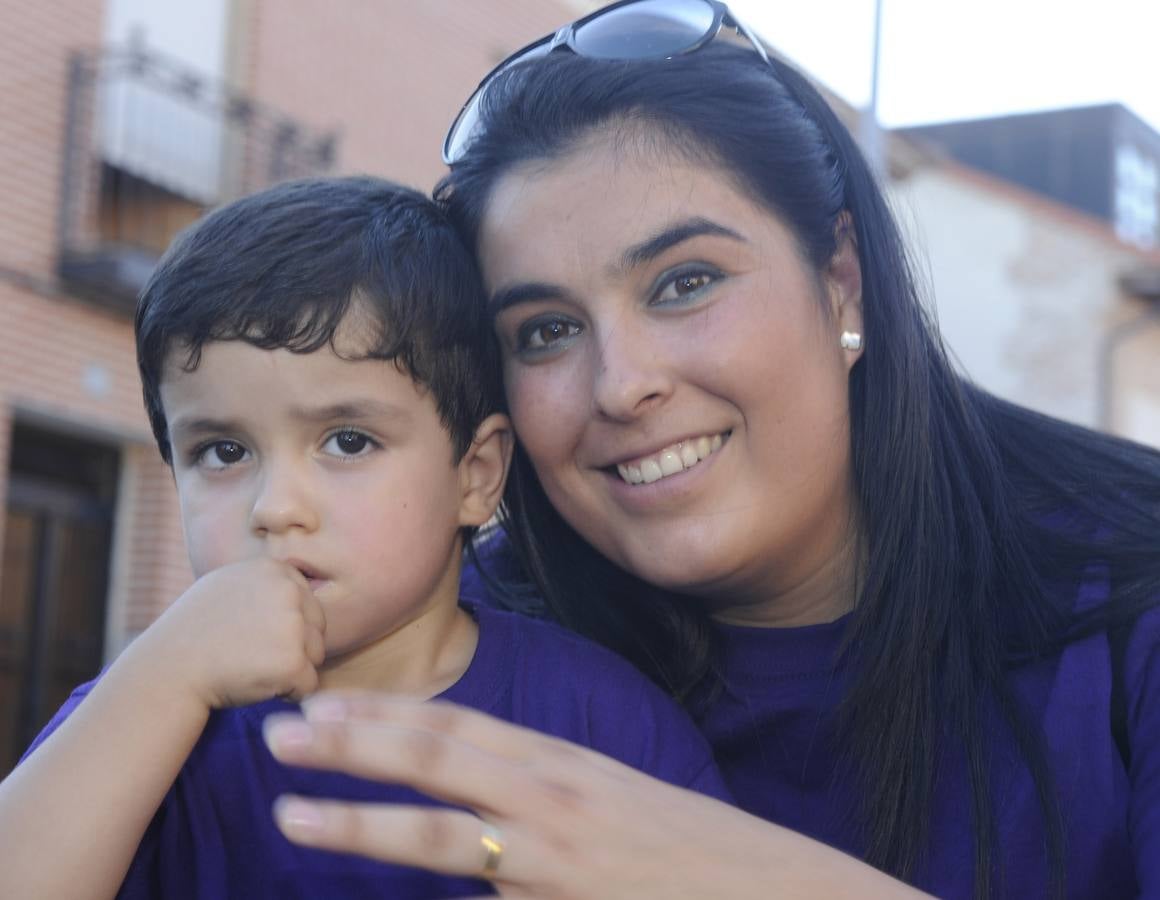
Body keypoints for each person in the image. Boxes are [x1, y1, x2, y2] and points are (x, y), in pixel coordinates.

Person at [256, 3, 1160, 899]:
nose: (620, 383)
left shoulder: (1133, 585)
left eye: (685, 283)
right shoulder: (446, 638)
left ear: (841, 284)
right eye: (546, 331)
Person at [0, 176, 730, 900]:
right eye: (221, 452)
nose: (275, 508)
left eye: (347, 441)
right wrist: (158, 682)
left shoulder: (596, 719)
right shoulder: (144, 716)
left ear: (475, 475)